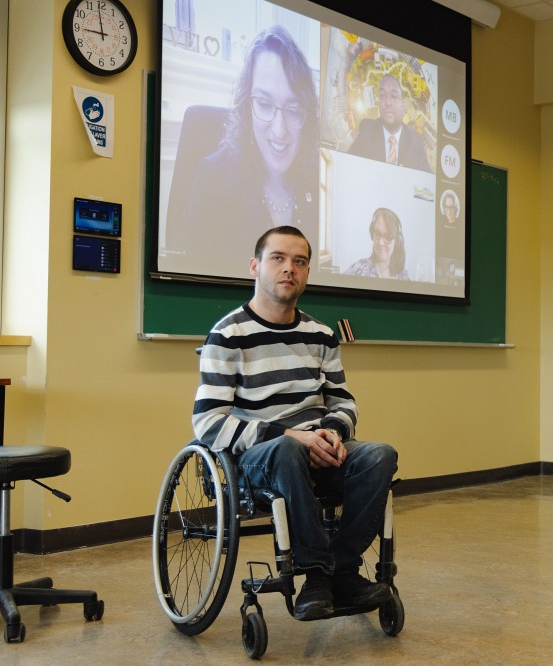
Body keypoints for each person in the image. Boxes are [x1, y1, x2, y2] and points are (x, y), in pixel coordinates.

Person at [192, 226, 399, 620]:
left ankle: (340, 569)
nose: (290, 269)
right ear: (255, 266)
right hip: (259, 458)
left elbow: (342, 401)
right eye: (278, 258)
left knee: (379, 455)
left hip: (314, 446)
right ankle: (316, 573)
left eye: (299, 261)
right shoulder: (228, 335)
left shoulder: (320, 334)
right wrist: (294, 437)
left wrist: (332, 434)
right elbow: (208, 423)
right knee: (288, 449)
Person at [176, 26, 320, 264]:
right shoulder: (213, 178)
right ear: (247, 107)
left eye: (293, 110)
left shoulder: (317, 178)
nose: (279, 130)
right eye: (264, 104)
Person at [347, 73, 432, 172]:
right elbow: (348, 169)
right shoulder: (367, 130)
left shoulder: (416, 141)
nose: (387, 102)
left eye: (394, 96)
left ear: (403, 107)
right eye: (382, 95)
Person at [344, 207, 412, 280]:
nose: (380, 243)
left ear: (397, 241)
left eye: (388, 236)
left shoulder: (404, 276)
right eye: (377, 234)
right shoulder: (358, 269)